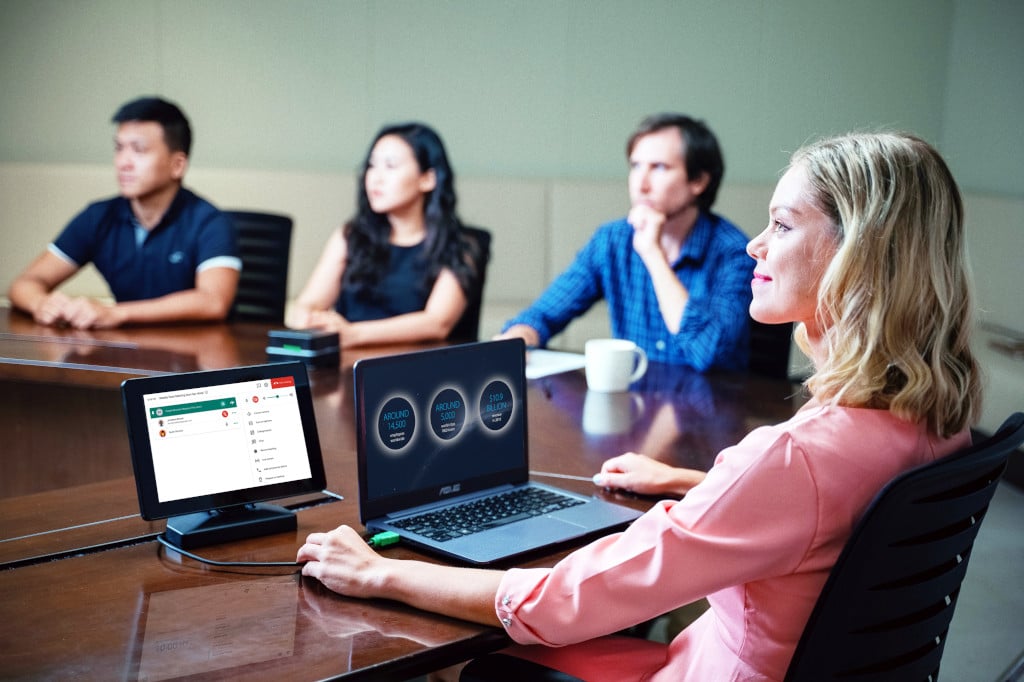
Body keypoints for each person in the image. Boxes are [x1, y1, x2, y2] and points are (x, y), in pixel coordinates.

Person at [296, 132, 981, 681]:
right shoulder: (931, 417)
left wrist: (381, 571)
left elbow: (565, 603)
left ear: (857, 256)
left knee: (473, 665)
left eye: (781, 225)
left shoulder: (791, 457)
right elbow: (825, 508)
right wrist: (695, 485)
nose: (756, 246)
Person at [496, 113, 754, 371]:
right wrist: (519, 337)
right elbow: (545, 313)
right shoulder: (613, 240)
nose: (640, 184)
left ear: (699, 181)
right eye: (636, 166)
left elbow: (708, 353)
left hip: (713, 406)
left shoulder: (733, 253)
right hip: (633, 404)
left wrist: (653, 255)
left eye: (659, 167)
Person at [8, 97, 240, 329]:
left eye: (139, 150)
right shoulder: (98, 217)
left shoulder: (210, 222)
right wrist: (41, 303)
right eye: (119, 148)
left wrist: (116, 313)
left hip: (197, 357)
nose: (123, 163)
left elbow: (213, 301)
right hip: (126, 353)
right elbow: (24, 284)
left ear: (177, 165)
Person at [286, 122, 483, 348]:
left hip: (417, 371)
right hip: (347, 367)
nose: (375, 178)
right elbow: (308, 303)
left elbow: (437, 323)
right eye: (371, 165)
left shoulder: (462, 244)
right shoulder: (351, 235)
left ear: (427, 179)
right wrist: (309, 317)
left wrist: (353, 334)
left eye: (390, 166)